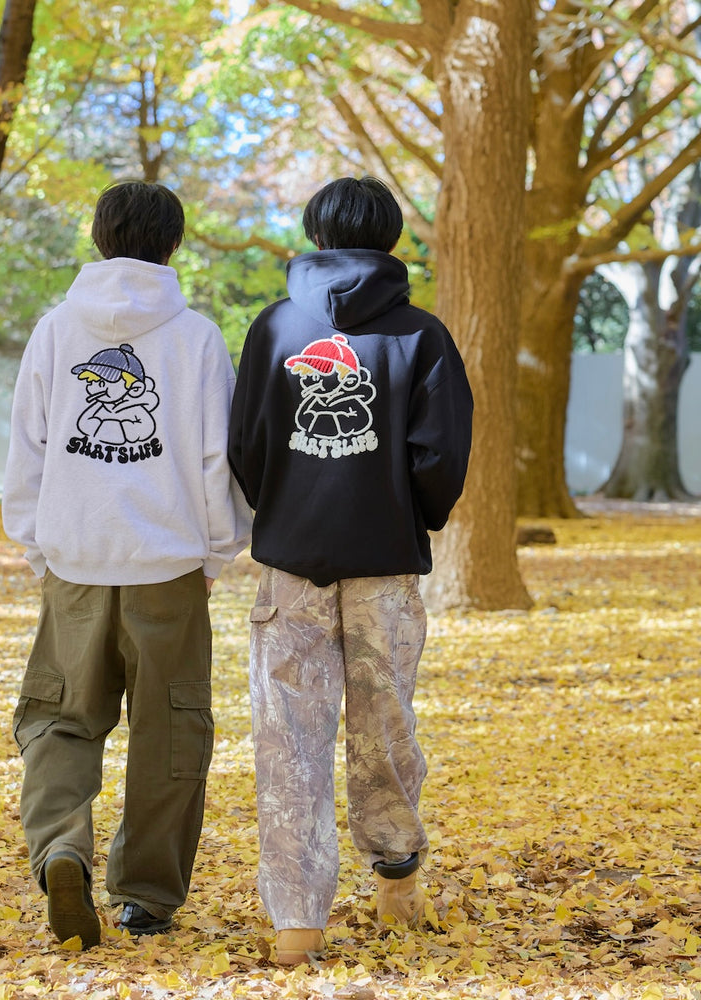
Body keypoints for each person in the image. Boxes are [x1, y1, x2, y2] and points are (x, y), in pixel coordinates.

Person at [227, 176, 473, 965]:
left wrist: (287, 505)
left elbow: (249, 446)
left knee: (288, 739)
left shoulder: (273, 329)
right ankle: (397, 877)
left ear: (315, 233)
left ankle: (296, 920)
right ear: (393, 238)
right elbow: (441, 457)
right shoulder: (421, 337)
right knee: (384, 728)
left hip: (291, 569)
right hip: (384, 569)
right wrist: (406, 516)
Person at [2, 180, 251, 949]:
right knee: (168, 730)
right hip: (168, 566)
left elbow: (29, 448)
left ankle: (63, 848)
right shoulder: (198, 338)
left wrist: (40, 541)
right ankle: (144, 896)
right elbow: (217, 459)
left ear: (99, 237)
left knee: (59, 719)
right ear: (172, 245)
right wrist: (216, 550)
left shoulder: (54, 332)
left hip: (75, 559)